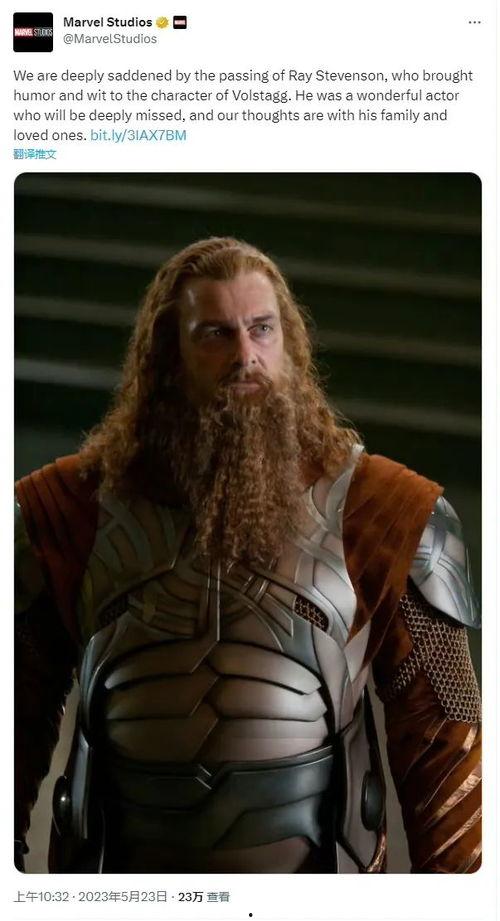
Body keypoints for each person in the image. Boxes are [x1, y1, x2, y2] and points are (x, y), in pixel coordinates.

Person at [15, 237, 481, 874]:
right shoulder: (65, 511)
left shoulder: (384, 510)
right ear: (167, 356)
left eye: (262, 329)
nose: (245, 356)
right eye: (216, 334)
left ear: (289, 342)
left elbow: (444, 743)